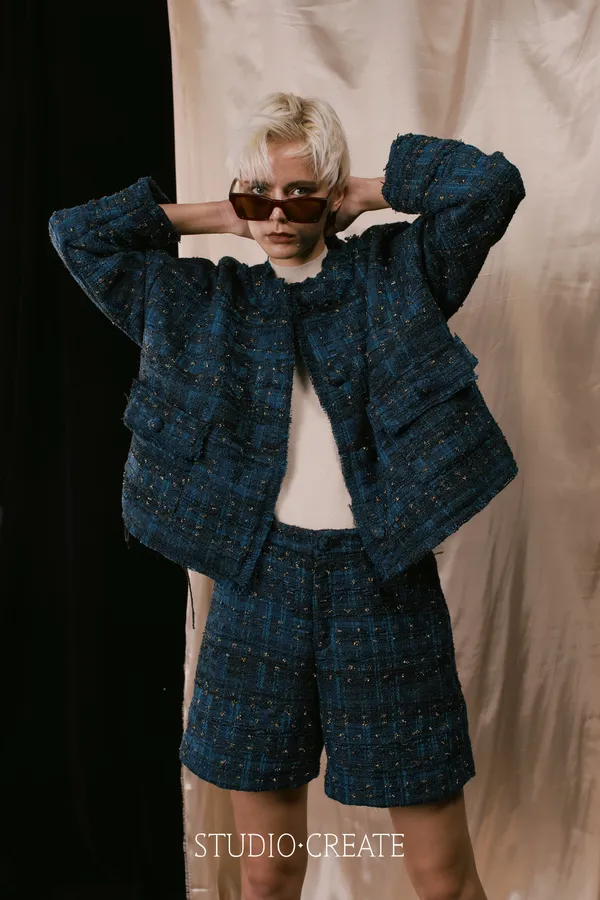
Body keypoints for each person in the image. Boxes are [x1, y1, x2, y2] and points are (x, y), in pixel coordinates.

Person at [49, 91, 525, 900]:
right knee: (266, 873)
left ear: (330, 192)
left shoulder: (399, 273)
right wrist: (223, 216)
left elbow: (490, 188)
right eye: (258, 195)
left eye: (300, 194)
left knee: (442, 875)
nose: (277, 214)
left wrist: (366, 194)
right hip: (255, 588)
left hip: (385, 584)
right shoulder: (203, 302)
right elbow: (78, 235)